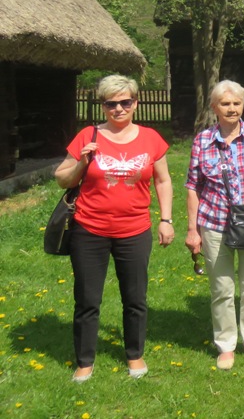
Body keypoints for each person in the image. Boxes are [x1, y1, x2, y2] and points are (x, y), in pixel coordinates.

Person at [55, 75, 174, 383]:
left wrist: (166, 219)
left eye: (125, 102)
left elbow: (163, 180)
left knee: (135, 297)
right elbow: (62, 178)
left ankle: (134, 355)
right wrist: (81, 163)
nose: (118, 108)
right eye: (111, 103)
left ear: (136, 102)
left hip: (134, 230)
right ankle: (84, 361)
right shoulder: (88, 135)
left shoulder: (150, 138)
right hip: (89, 230)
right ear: (103, 105)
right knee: (87, 298)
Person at [185, 80, 244, 371]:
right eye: (225, 104)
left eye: (236, 103)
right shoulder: (202, 141)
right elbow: (193, 186)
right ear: (215, 107)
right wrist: (193, 229)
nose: (232, 109)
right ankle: (226, 345)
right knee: (222, 288)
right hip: (214, 223)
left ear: (243, 105)